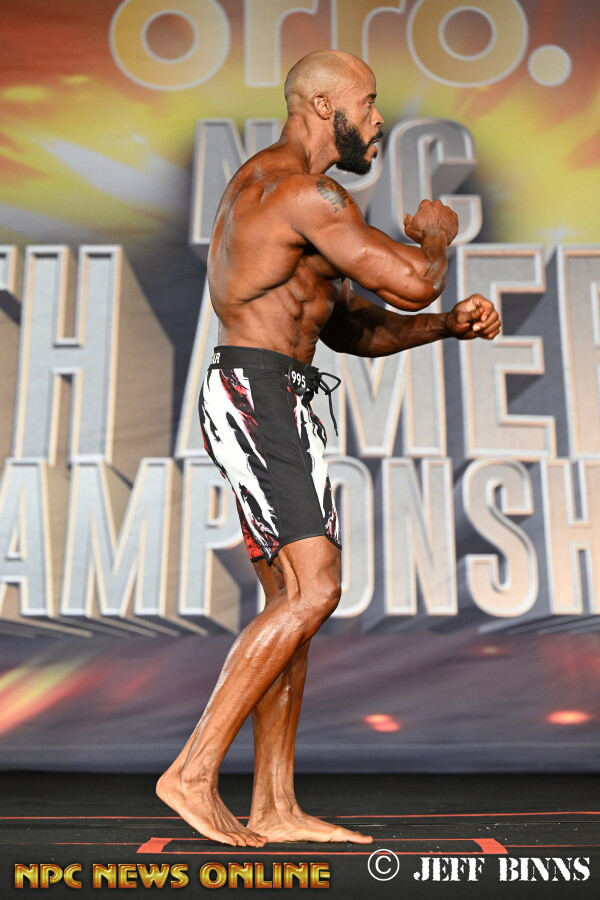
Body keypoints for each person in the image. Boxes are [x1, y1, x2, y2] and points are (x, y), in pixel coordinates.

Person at [157, 49, 501, 847]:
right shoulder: (301, 192)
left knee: (293, 603)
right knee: (315, 590)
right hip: (260, 394)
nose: (378, 120)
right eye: (367, 103)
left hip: (276, 393)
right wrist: (437, 242)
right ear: (321, 107)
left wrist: (446, 327)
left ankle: (274, 805)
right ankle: (192, 772)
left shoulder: (288, 198)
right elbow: (413, 278)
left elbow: (352, 330)